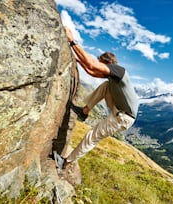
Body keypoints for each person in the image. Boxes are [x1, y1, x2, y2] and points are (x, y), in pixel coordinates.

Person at [53, 27, 139, 169]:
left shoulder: (119, 70)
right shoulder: (112, 76)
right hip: (120, 110)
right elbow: (91, 70)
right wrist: (78, 60)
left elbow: (92, 65)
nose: (99, 66)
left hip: (123, 117)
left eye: (101, 63)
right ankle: (85, 111)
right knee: (105, 86)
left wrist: (72, 42)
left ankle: (65, 162)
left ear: (108, 63)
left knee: (92, 136)